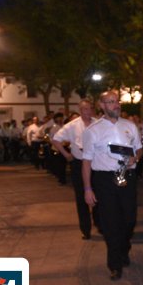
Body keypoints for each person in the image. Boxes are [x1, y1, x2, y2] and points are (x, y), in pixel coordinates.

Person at [82, 90, 143, 281]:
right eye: (110, 102)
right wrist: (87, 189)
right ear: (101, 106)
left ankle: (123, 248)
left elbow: (139, 148)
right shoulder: (93, 130)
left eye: (117, 101)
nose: (115, 105)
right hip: (105, 180)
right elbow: (86, 162)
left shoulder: (130, 126)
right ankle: (114, 264)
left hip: (128, 176)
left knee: (129, 219)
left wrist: (136, 156)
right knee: (110, 223)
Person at [52, 99, 100, 240]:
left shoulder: (98, 123)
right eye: (85, 109)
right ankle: (85, 229)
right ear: (80, 110)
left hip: (96, 163)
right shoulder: (72, 126)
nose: (88, 111)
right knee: (81, 196)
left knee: (99, 194)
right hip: (79, 163)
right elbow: (55, 139)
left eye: (90, 108)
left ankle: (99, 223)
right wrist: (66, 154)